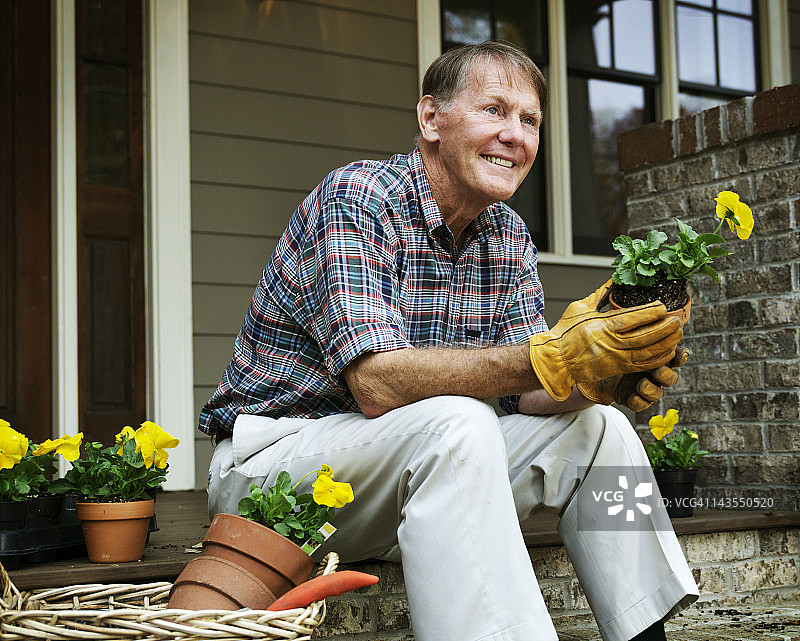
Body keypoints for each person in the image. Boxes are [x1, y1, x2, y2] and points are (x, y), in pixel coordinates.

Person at [200, 41, 698, 641]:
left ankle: (644, 630)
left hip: (414, 476)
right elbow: (377, 383)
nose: (516, 134)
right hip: (273, 476)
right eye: (494, 110)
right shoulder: (358, 199)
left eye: (530, 120)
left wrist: (597, 378)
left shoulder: (507, 234)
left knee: (598, 429)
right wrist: (553, 354)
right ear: (431, 118)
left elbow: (526, 392)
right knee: (458, 421)